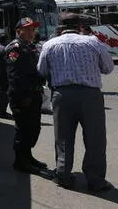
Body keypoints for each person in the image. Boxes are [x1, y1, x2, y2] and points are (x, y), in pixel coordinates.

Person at [37, 13, 114, 192]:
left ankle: (63, 176)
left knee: (63, 137)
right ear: (80, 26)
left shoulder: (49, 45)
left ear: (60, 28)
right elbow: (108, 68)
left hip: (62, 96)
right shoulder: (93, 42)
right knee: (95, 139)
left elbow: (41, 71)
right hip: (90, 96)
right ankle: (96, 181)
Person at [5, 17, 48, 173]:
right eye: (28, 29)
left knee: (33, 128)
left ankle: (28, 157)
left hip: (33, 94)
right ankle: (20, 162)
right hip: (23, 97)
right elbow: (14, 76)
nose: (32, 32)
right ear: (19, 31)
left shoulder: (29, 46)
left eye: (33, 29)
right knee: (23, 129)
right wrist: (23, 97)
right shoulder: (15, 48)